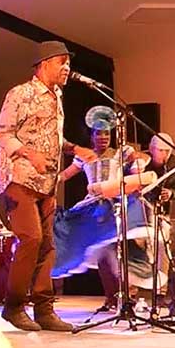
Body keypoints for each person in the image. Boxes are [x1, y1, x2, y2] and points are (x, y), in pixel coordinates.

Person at [0, 40, 97, 332]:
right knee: (31, 239)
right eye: (62, 62)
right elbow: (2, 134)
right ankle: (13, 307)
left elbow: (52, 140)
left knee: (48, 246)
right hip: (19, 179)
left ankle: (44, 310)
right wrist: (30, 154)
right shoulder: (20, 94)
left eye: (68, 63)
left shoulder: (57, 97)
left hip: (47, 184)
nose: (67, 68)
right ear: (44, 64)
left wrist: (75, 149)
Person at [55, 126, 156, 310]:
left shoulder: (121, 153)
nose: (103, 137)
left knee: (120, 249)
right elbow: (65, 175)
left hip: (115, 203)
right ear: (92, 136)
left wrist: (138, 166)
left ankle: (126, 295)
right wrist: (47, 179)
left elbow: (141, 162)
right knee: (101, 251)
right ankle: (111, 297)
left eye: (106, 133)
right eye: (99, 133)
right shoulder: (85, 156)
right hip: (94, 205)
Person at [143, 133, 175, 304]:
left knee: (162, 248)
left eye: (168, 151)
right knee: (140, 249)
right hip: (140, 211)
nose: (165, 155)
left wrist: (171, 193)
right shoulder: (143, 162)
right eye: (161, 150)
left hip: (162, 213)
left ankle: (160, 292)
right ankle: (133, 293)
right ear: (151, 149)